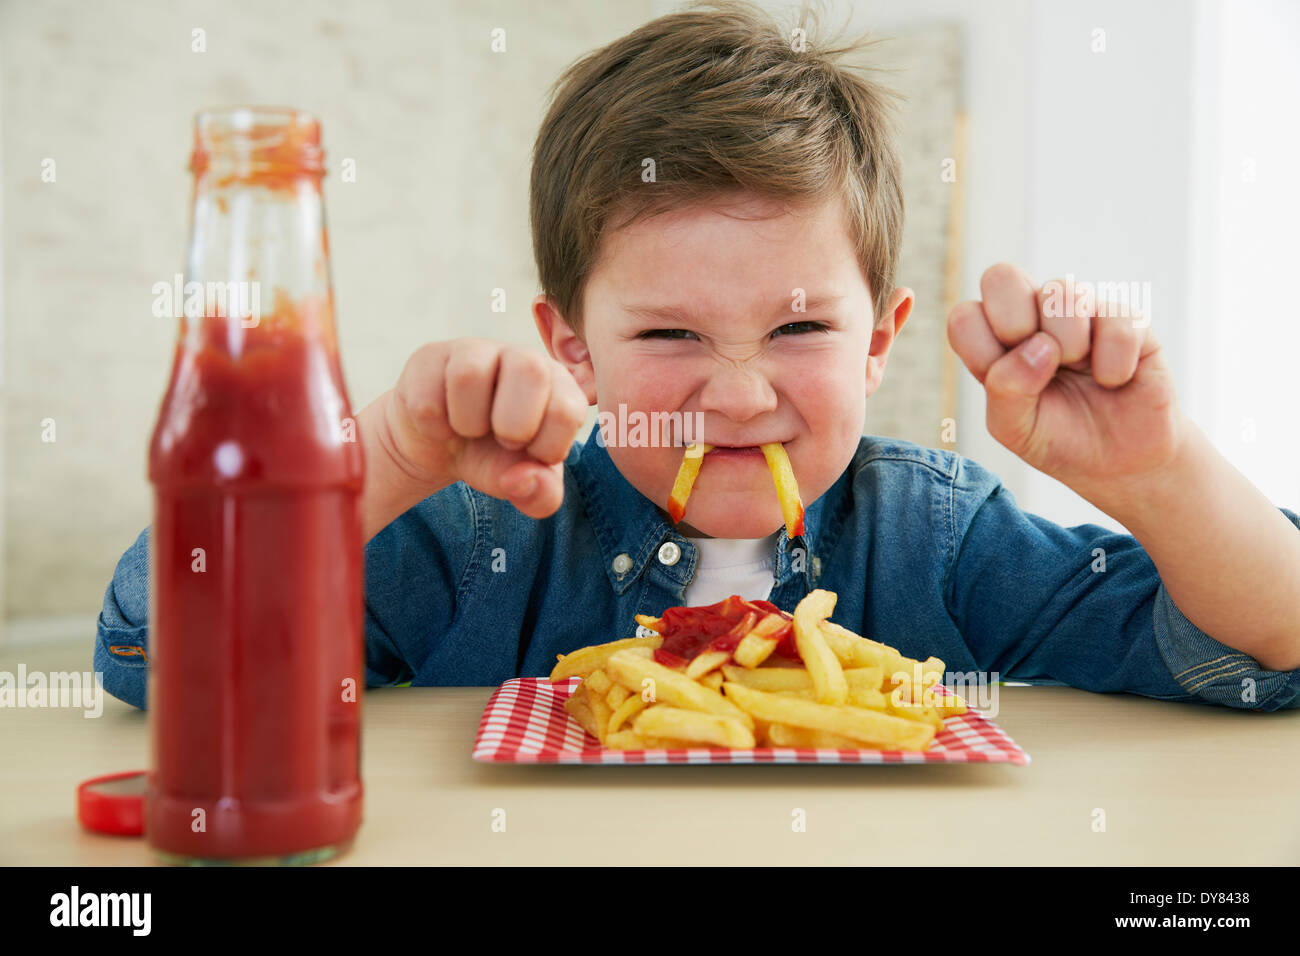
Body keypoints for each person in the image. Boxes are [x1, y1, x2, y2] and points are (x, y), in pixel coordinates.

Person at [96, 1, 1300, 712]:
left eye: (800, 327)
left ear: (880, 339)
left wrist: (1155, 471)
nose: (739, 394)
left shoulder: (938, 534)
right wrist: (392, 457)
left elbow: (1265, 658)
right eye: (669, 332)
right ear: (570, 347)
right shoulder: (474, 535)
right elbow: (162, 656)